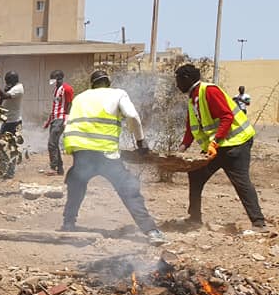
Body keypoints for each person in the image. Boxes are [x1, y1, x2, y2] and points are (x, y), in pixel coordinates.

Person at [61, 69, 166, 245]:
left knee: (76, 186)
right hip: (106, 153)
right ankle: (151, 231)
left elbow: (69, 122)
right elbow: (132, 115)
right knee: (128, 189)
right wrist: (141, 142)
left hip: (80, 151)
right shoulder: (117, 94)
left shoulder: (80, 98)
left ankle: (68, 224)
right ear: (108, 83)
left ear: (92, 85)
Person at [175, 64, 266, 233]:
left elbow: (227, 117)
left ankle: (259, 224)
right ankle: (194, 219)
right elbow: (191, 127)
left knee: (240, 181)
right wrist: (182, 149)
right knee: (195, 174)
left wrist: (214, 142)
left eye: (178, 80)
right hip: (219, 145)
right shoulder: (193, 98)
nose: (177, 84)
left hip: (236, 143)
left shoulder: (209, 91)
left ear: (187, 79)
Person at [0, 70, 25, 179]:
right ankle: (3, 170)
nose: (6, 84)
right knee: (2, 147)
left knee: (11, 148)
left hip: (13, 122)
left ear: (12, 80)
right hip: (7, 122)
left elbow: (4, 96)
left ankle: (9, 172)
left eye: (7, 81)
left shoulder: (18, 89)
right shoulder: (13, 88)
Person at [43, 69, 73, 175]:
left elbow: (69, 104)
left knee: (51, 143)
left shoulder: (67, 89)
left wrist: (66, 120)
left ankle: (53, 167)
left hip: (60, 119)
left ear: (59, 78)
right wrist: (48, 121)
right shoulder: (56, 89)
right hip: (54, 119)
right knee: (54, 144)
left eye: (53, 78)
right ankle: (59, 168)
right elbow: (54, 106)